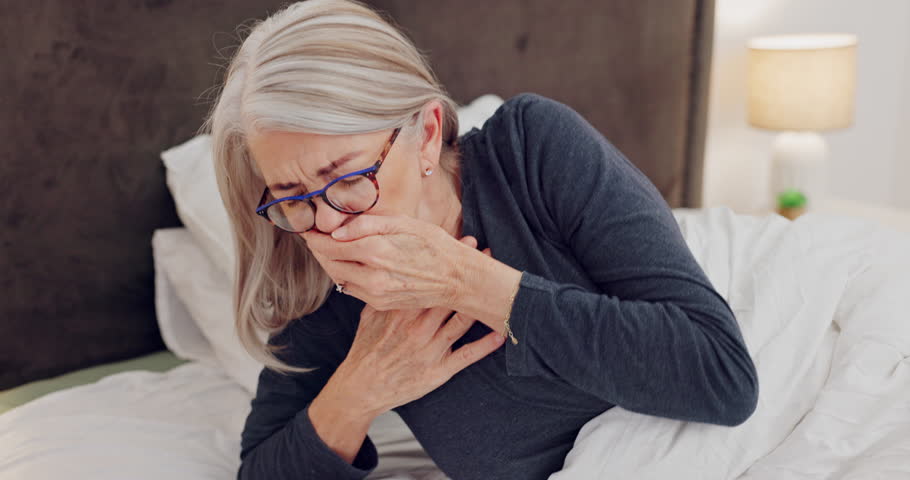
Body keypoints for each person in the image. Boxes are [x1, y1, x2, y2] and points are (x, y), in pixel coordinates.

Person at [202, 0, 759, 478]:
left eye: (347, 178)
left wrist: (470, 284)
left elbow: (720, 375)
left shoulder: (532, 151)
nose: (330, 224)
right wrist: (360, 390)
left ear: (426, 136)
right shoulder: (321, 284)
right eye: (293, 196)